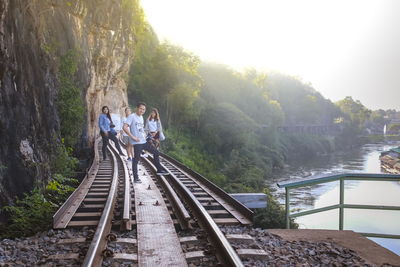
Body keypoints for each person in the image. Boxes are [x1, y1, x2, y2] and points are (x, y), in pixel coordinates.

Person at [123, 102, 168, 183]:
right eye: (141, 109)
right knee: (136, 159)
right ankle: (136, 178)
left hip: (144, 141)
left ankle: (159, 170)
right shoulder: (132, 116)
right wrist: (132, 136)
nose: (142, 110)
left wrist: (147, 137)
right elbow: (125, 127)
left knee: (156, 152)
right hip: (137, 143)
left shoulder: (141, 117)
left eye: (143, 109)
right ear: (137, 108)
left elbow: (141, 129)